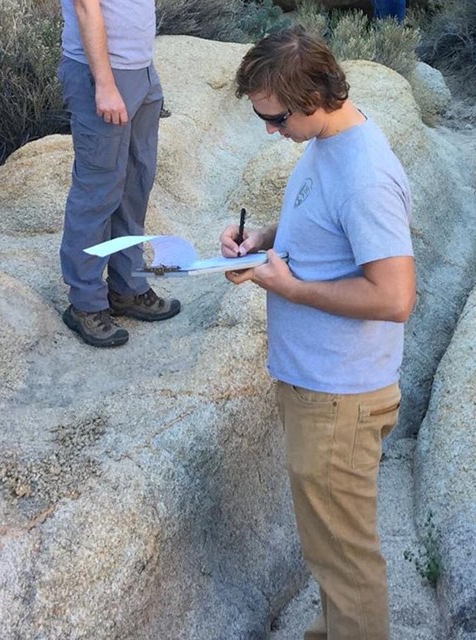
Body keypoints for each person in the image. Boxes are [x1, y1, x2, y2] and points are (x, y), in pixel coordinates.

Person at [220, 27, 416, 640]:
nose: (269, 132)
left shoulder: (365, 175)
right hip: (320, 387)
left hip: (340, 397)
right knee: (330, 549)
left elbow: (394, 296)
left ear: (312, 99)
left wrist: (290, 288)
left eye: (275, 119)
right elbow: (320, 221)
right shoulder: (330, 139)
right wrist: (264, 239)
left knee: (347, 561)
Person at [58, 0, 181, 348]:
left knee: (134, 186)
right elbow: (85, 7)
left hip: (140, 69)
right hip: (101, 74)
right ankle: (85, 303)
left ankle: (127, 287)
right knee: (97, 192)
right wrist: (105, 84)